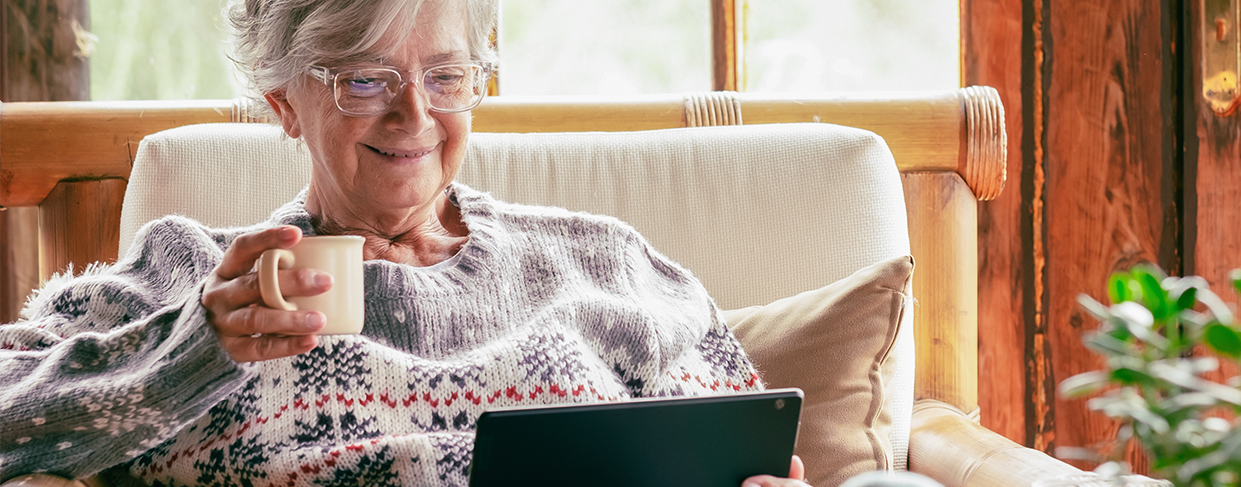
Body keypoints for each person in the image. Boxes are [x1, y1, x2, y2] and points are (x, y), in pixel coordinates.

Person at [0, 0, 811, 485]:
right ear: (283, 100)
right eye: (366, 79)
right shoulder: (192, 277)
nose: (415, 115)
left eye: (446, 77)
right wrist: (190, 350)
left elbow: (741, 448)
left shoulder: (605, 264)